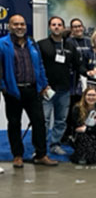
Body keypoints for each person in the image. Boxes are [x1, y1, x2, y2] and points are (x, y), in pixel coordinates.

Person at [0, 14, 58, 167]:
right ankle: (17, 155)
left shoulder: (32, 42)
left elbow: (39, 65)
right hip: (13, 91)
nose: (20, 27)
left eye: (22, 24)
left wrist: (44, 84)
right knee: (14, 124)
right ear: (10, 26)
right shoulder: (2, 44)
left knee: (39, 122)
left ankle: (41, 155)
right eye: (16, 24)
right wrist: (4, 87)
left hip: (33, 90)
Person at [38, 16, 86, 155]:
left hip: (64, 90)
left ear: (64, 27)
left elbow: (78, 65)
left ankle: (55, 144)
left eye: (59, 24)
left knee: (60, 120)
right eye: (54, 24)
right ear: (49, 27)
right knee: (44, 120)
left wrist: (88, 71)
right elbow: (36, 66)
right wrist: (42, 85)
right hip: (46, 89)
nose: (57, 27)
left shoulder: (70, 46)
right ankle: (41, 147)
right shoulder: (41, 44)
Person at [70, 86, 96, 165]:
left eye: (93, 95)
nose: (91, 97)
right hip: (81, 138)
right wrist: (93, 128)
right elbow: (77, 128)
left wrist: (87, 129)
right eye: (89, 95)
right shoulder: (77, 109)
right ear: (84, 96)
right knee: (85, 139)